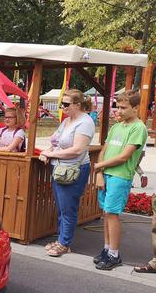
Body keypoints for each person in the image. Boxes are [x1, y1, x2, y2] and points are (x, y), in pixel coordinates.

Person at [92, 91, 147, 270]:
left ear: (136, 108)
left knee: (113, 214)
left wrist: (98, 166)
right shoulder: (117, 127)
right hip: (106, 174)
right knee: (106, 214)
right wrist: (100, 171)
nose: (119, 111)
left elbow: (124, 157)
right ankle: (107, 249)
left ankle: (114, 254)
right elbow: (104, 150)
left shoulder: (138, 128)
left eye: (124, 108)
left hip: (120, 176)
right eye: (118, 107)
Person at [39, 89, 95, 257]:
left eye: (65, 104)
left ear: (78, 105)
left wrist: (51, 154)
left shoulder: (85, 122)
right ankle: (61, 239)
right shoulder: (67, 121)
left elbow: (77, 149)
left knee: (68, 208)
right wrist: (46, 151)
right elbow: (55, 140)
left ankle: (64, 243)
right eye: (61, 104)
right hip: (60, 168)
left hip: (73, 169)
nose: (62, 107)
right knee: (62, 207)